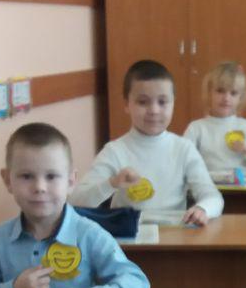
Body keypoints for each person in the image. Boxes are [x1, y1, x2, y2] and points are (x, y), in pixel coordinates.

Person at [0, 122, 149, 288]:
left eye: (51, 176)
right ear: (7, 180)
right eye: (26, 176)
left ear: (70, 181)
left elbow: (137, 283)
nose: (40, 187)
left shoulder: (89, 234)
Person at [72, 59, 223, 224]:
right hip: (128, 235)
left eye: (162, 102)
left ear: (173, 103)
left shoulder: (183, 149)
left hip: (175, 233)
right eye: (143, 102)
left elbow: (213, 197)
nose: (154, 110)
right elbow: (76, 200)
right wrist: (112, 183)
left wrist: (202, 209)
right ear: (127, 104)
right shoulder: (114, 151)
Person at [183, 60, 246, 176]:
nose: (226, 98)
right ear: (209, 93)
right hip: (209, 185)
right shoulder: (196, 128)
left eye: (233, 93)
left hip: (244, 185)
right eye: (220, 91)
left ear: (241, 98)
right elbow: (182, 163)